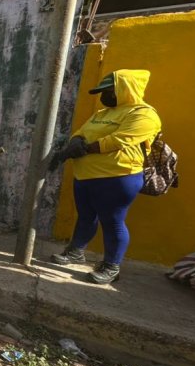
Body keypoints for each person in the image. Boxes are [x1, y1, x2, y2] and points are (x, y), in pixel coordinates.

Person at [49, 69, 161, 284]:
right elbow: (81, 131)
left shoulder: (143, 114)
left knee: (113, 221)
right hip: (85, 175)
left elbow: (120, 140)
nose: (103, 95)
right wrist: (75, 141)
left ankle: (111, 266)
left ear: (125, 89)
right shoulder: (102, 113)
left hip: (117, 178)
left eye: (108, 90)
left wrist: (86, 149)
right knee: (85, 216)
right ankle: (75, 252)